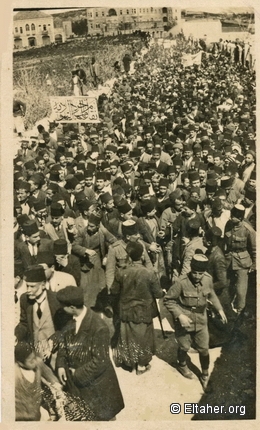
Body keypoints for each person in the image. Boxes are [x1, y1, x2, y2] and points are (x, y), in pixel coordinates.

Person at [56, 286, 125, 421]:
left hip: (97, 387)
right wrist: (60, 363)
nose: (60, 309)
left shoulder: (98, 327)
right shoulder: (68, 319)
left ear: (72, 307)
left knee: (102, 419)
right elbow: (63, 343)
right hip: (79, 387)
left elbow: (100, 361)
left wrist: (77, 374)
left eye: (62, 306)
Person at [164, 254, 227, 389]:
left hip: (201, 319)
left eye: (201, 273)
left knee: (204, 349)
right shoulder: (181, 282)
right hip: (184, 319)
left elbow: (211, 294)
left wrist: (219, 309)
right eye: (195, 272)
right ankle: (182, 365)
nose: (197, 276)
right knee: (184, 347)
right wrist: (179, 315)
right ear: (191, 269)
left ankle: (204, 374)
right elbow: (168, 300)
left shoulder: (208, 279)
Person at [110, 241, 164, 374]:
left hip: (126, 310)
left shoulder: (121, 272)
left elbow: (114, 291)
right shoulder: (149, 273)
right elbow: (158, 294)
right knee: (143, 337)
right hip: (143, 311)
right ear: (141, 255)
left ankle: (130, 363)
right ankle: (141, 364)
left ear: (128, 255)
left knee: (128, 336)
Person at [15, 265, 71, 365]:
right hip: (34, 355)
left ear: (43, 285)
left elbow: (66, 327)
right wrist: (15, 336)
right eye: (27, 286)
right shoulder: (24, 299)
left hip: (55, 353)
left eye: (32, 286)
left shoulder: (56, 300)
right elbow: (24, 324)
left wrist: (52, 342)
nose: (28, 290)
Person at [15, 341, 62, 421]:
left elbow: (51, 377)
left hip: (36, 413)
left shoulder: (38, 363)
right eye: (31, 361)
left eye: (34, 358)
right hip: (21, 416)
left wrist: (57, 386)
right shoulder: (15, 374)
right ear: (20, 363)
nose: (35, 361)